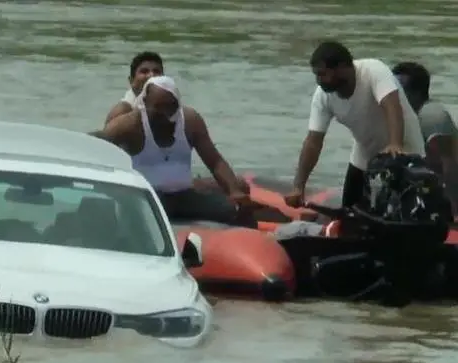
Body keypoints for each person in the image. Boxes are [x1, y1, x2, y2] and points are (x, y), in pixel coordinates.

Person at [90, 75, 254, 226]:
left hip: (184, 195)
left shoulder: (190, 121)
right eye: (158, 109)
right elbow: (96, 143)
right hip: (149, 199)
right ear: (145, 103)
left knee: (235, 211)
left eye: (170, 108)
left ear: (177, 105)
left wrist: (234, 191)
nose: (165, 115)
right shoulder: (131, 125)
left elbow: (215, 161)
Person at [284, 40, 426, 209]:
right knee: (350, 211)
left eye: (322, 74)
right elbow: (313, 142)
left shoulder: (373, 70)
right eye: (316, 75)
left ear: (343, 67)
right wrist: (299, 186)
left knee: (401, 211)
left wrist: (395, 144)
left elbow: (392, 106)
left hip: (405, 148)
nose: (319, 81)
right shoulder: (322, 96)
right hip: (365, 151)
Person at [392, 61, 458, 212]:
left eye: (398, 91)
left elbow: (450, 167)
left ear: (417, 93)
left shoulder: (431, 116)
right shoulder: (403, 117)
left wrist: (454, 214)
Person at [103, 51, 164, 126]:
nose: (151, 75)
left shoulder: (172, 107)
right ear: (131, 81)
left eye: (156, 71)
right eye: (144, 71)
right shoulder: (123, 111)